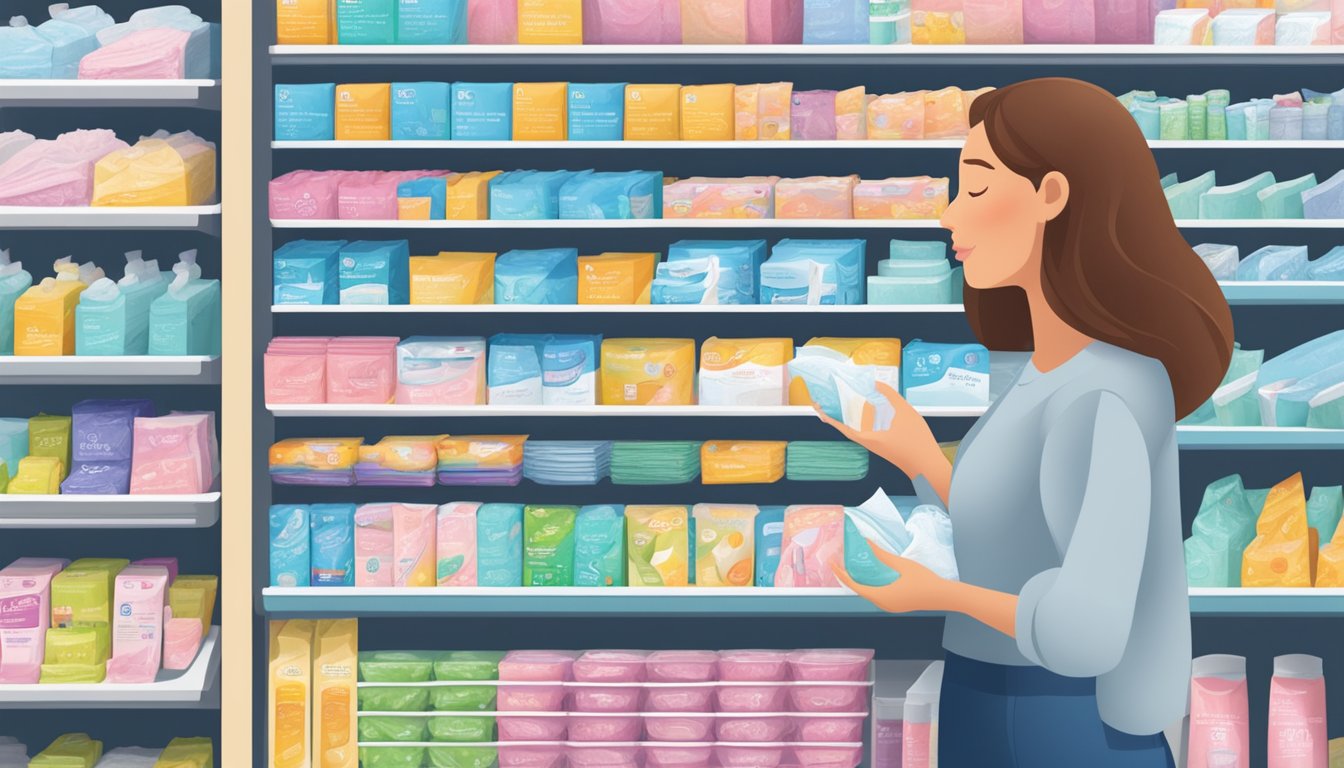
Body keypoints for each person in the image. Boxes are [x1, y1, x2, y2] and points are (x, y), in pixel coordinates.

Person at [813, 77, 1234, 767]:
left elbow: (1087, 630)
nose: (950, 217)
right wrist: (918, 453)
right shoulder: (1047, 369)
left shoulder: (1108, 393)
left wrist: (935, 594)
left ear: (1052, 195)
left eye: (975, 189)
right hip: (986, 700)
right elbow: (1020, 538)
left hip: (1064, 723)